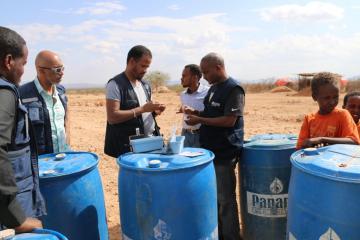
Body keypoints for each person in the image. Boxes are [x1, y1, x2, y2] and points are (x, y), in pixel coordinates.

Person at [185, 53, 245, 239]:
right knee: (214, 197)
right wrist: (196, 112)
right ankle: (218, 233)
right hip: (209, 151)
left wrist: (200, 119)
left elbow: (229, 120)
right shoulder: (213, 88)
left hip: (224, 152)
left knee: (225, 199)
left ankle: (231, 236)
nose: (204, 76)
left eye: (206, 72)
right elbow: (211, 113)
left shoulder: (233, 89)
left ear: (218, 68)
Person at [0, 26, 45, 232]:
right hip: (11, 204)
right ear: (9, 61)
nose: (23, 70)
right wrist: (16, 218)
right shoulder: (5, 93)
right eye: (23, 63)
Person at [104, 45, 165, 158]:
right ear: (132, 61)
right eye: (143, 66)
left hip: (152, 143)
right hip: (130, 148)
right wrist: (142, 109)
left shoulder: (145, 85)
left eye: (147, 67)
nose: (145, 70)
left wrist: (154, 111)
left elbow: (142, 115)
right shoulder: (115, 85)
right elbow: (112, 117)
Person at [19, 50, 70, 155]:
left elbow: (66, 119)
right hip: (40, 164)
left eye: (62, 68)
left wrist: (68, 142)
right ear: (41, 70)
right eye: (57, 69)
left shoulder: (61, 92)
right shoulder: (22, 94)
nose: (62, 73)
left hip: (64, 157)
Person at [296, 72, 360, 149]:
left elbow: (354, 141)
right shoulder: (309, 119)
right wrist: (311, 145)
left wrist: (322, 140)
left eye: (335, 97)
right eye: (327, 98)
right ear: (314, 97)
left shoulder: (343, 115)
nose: (332, 102)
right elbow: (300, 147)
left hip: (338, 160)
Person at [178, 64, 209, 147]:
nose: (181, 78)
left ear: (195, 77)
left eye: (184, 76)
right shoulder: (183, 94)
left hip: (202, 134)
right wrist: (183, 109)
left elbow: (211, 114)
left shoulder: (208, 92)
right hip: (185, 134)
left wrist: (194, 112)